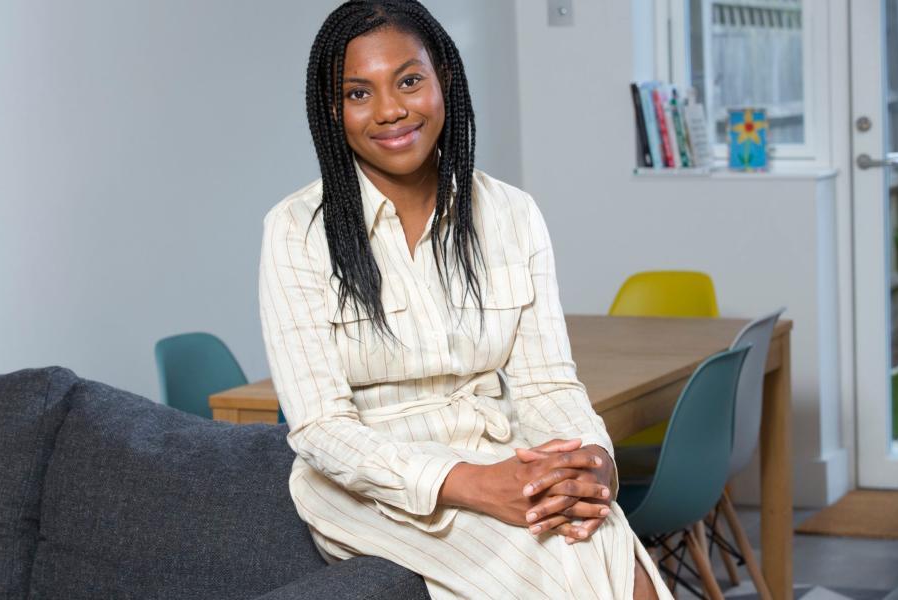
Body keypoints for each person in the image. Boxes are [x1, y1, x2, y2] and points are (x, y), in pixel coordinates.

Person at [258, 1, 672, 598]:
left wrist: (590, 461)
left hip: (505, 453)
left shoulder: (511, 214)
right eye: (357, 93)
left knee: (611, 550)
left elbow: (547, 384)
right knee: (566, 565)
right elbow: (321, 428)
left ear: (443, 79)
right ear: (332, 110)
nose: (391, 110)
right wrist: (467, 481)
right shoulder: (295, 230)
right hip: (371, 485)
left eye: (408, 80)